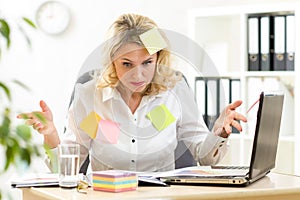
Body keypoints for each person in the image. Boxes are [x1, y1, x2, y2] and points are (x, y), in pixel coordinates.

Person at [18, 13, 247, 172]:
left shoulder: (175, 90)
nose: (138, 76)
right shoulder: (90, 96)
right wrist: (51, 134)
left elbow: (204, 156)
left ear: (159, 58)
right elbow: (69, 165)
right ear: (111, 62)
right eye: (127, 64)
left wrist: (218, 132)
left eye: (147, 62)